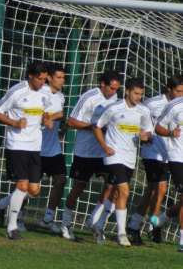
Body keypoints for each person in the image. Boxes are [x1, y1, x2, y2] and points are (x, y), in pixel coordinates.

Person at [0, 62, 52, 240]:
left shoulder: (45, 93)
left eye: (44, 79)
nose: (43, 82)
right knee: (22, 185)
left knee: (33, 190)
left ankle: (2, 205)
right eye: (40, 79)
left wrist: (46, 120)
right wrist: (14, 123)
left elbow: (44, 113)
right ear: (30, 76)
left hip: (35, 146)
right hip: (16, 144)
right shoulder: (17, 91)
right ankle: (12, 227)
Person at [60, 70, 121, 242]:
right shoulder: (89, 97)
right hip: (85, 152)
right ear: (102, 84)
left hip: (104, 152)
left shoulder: (116, 100)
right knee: (79, 187)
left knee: (113, 185)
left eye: (117, 89)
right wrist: (94, 127)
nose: (113, 92)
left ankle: (94, 221)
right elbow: (71, 121)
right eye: (111, 88)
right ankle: (66, 224)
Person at [93, 77, 153, 247]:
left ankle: (98, 224)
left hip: (130, 158)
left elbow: (149, 132)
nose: (138, 97)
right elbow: (96, 126)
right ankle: (121, 234)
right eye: (136, 93)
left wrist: (145, 136)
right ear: (127, 91)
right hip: (113, 156)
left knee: (117, 194)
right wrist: (105, 147)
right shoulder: (113, 108)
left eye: (141, 94)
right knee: (125, 191)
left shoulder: (143, 111)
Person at [127, 75, 183, 244]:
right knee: (157, 189)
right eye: (179, 91)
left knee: (158, 191)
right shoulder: (152, 104)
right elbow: (137, 117)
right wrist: (143, 134)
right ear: (169, 89)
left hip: (171, 154)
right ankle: (139, 226)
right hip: (153, 152)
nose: (181, 94)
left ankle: (152, 224)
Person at [37, 64, 66, 232]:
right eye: (59, 77)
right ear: (49, 78)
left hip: (53, 148)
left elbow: (56, 117)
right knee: (31, 187)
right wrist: (48, 117)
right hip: (36, 147)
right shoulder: (39, 93)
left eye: (63, 77)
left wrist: (57, 119)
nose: (62, 81)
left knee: (61, 180)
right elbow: (35, 114)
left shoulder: (61, 97)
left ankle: (48, 218)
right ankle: (14, 214)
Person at [154, 90, 183, 252]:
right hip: (177, 157)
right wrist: (171, 133)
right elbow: (158, 128)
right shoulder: (174, 105)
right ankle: (182, 241)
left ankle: (160, 221)